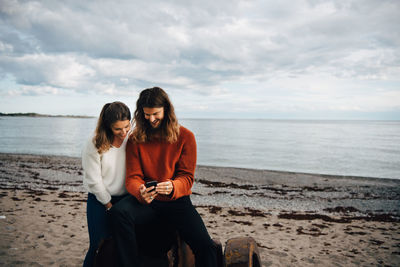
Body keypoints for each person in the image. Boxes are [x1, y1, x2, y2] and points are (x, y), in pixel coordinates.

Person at [110, 87, 217, 266]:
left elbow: (187, 177)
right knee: (118, 213)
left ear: (166, 110)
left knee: (206, 246)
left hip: (176, 202)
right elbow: (132, 177)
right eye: (146, 114)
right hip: (148, 201)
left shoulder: (186, 137)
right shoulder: (136, 139)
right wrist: (140, 191)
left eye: (155, 114)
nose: (151, 119)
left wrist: (174, 186)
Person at [82, 101, 132, 267]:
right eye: (118, 129)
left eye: (127, 126)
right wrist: (108, 205)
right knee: (98, 246)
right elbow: (93, 180)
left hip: (126, 201)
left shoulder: (131, 139)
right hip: (99, 200)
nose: (124, 132)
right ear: (107, 125)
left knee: (122, 247)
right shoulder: (94, 142)